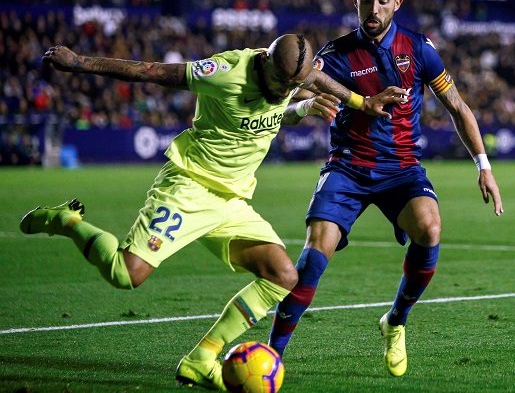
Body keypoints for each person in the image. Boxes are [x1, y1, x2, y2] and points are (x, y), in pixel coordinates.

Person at [20, 34, 407, 391]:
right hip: (189, 186)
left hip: (232, 201)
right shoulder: (224, 72)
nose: (287, 91)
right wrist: (80, 63)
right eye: (284, 84)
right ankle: (67, 221)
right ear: (266, 64)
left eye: (295, 86)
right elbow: (149, 71)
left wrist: (351, 103)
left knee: (282, 276)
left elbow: (308, 89)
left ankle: (202, 358)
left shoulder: (288, 78)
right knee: (126, 273)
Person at [268, 0, 503, 377]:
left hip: (401, 169)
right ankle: (272, 356)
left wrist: (483, 165)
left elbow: (459, 108)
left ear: (397, 3)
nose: (372, 7)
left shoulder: (418, 48)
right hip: (348, 169)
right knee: (311, 260)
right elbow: (287, 107)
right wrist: (304, 107)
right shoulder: (334, 56)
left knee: (430, 229)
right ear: (354, 0)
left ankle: (395, 321)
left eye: (382, 0)